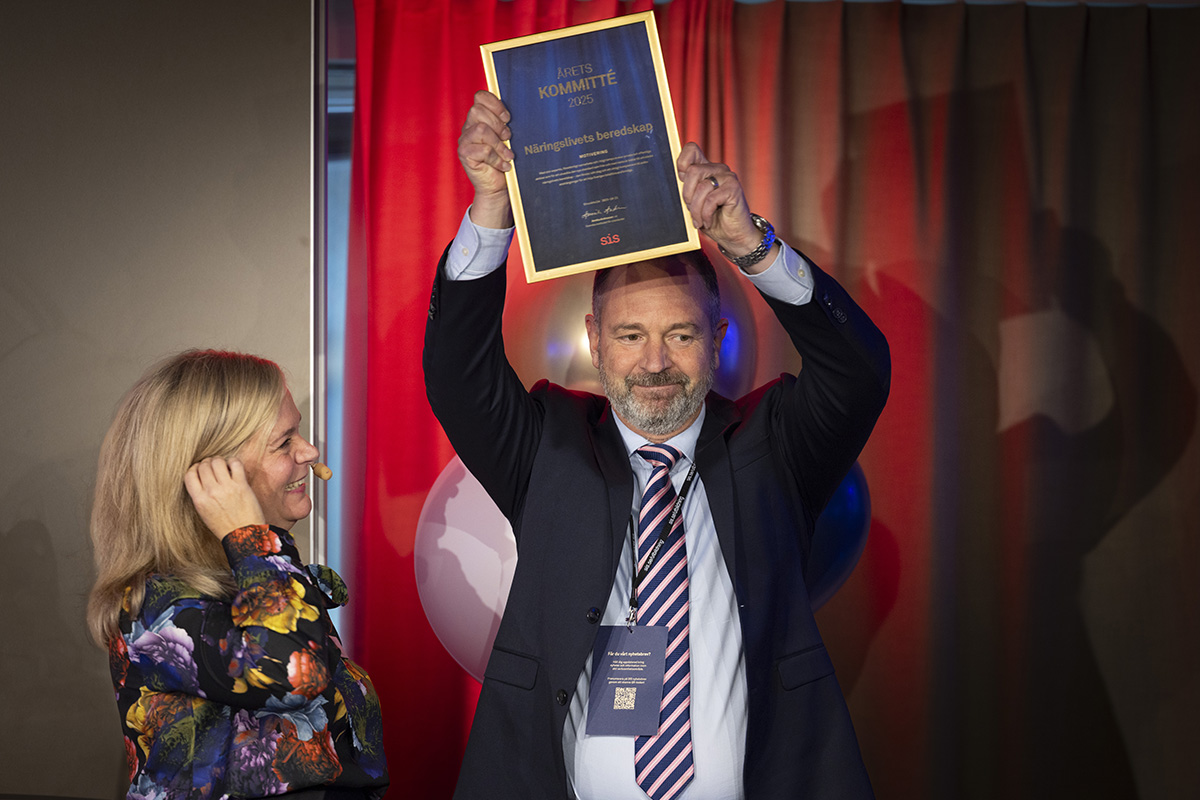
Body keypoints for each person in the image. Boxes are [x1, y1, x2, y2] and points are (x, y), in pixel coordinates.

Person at [424, 91, 890, 799]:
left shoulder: (775, 446)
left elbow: (860, 373)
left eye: (680, 334)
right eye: (630, 335)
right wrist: (492, 210)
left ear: (718, 339)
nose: (654, 363)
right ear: (594, 340)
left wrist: (751, 246)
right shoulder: (547, 446)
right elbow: (458, 376)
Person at [87, 350, 388, 799]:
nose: (309, 451)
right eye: (284, 442)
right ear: (210, 475)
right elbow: (292, 672)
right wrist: (250, 536)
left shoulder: (255, 576)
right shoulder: (155, 605)